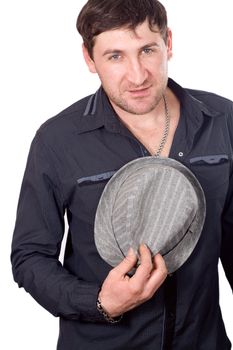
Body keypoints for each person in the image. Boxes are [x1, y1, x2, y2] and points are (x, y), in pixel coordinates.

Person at [11, 0, 233, 349]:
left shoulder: (223, 120)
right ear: (89, 59)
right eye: (115, 56)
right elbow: (30, 256)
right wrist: (101, 302)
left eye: (147, 50)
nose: (138, 75)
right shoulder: (57, 140)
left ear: (169, 43)